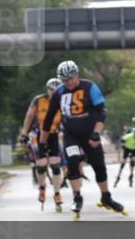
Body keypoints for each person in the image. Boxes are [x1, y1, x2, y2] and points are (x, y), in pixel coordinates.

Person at [42, 60, 126, 219]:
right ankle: (77, 197)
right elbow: (48, 119)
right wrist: (42, 143)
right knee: (73, 160)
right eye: (64, 80)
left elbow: (101, 111)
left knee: (99, 166)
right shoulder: (59, 93)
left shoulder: (90, 87)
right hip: (71, 134)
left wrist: (96, 133)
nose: (68, 82)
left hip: (90, 134)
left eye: (71, 78)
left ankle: (106, 197)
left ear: (77, 75)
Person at [20, 77, 65, 212]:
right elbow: (29, 116)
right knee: (41, 165)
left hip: (55, 133)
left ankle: (57, 193)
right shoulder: (38, 100)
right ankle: (42, 187)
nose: (53, 92)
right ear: (47, 90)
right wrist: (24, 134)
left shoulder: (64, 100)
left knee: (55, 165)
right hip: (39, 133)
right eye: (51, 90)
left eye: (56, 90)